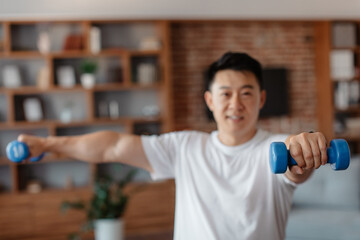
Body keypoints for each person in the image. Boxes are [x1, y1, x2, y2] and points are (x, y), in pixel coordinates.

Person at [17, 52, 327, 240]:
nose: (236, 104)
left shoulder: (273, 149)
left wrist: (302, 149)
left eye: (246, 93)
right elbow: (111, 146)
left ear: (261, 99)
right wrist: (46, 143)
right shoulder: (184, 147)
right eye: (225, 93)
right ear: (209, 100)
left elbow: (294, 168)